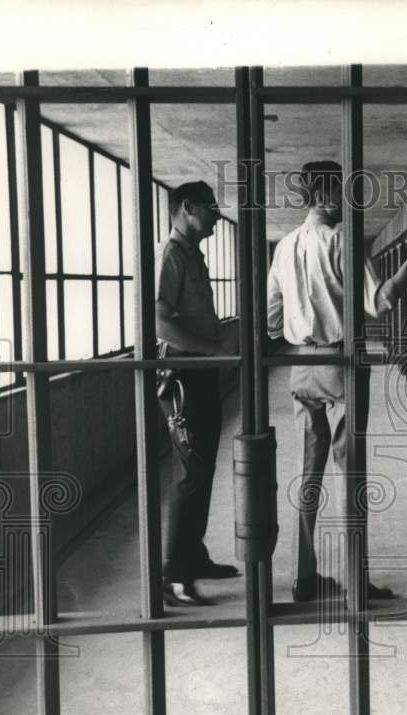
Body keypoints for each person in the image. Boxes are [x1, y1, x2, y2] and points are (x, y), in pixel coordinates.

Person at [266, 161, 407, 602]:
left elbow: (271, 318)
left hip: (300, 366)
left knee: (308, 474)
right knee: (351, 473)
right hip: (341, 363)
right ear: (328, 196)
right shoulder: (342, 239)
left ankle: (303, 577)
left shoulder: (285, 246)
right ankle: (354, 584)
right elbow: (381, 303)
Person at [155, 180, 238, 607]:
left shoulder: (191, 254)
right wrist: (213, 349)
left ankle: (194, 556)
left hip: (199, 372)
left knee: (202, 469)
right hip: (183, 374)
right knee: (191, 472)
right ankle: (173, 576)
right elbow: (160, 323)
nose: (216, 213)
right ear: (186, 208)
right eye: (209, 206)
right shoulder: (171, 254)